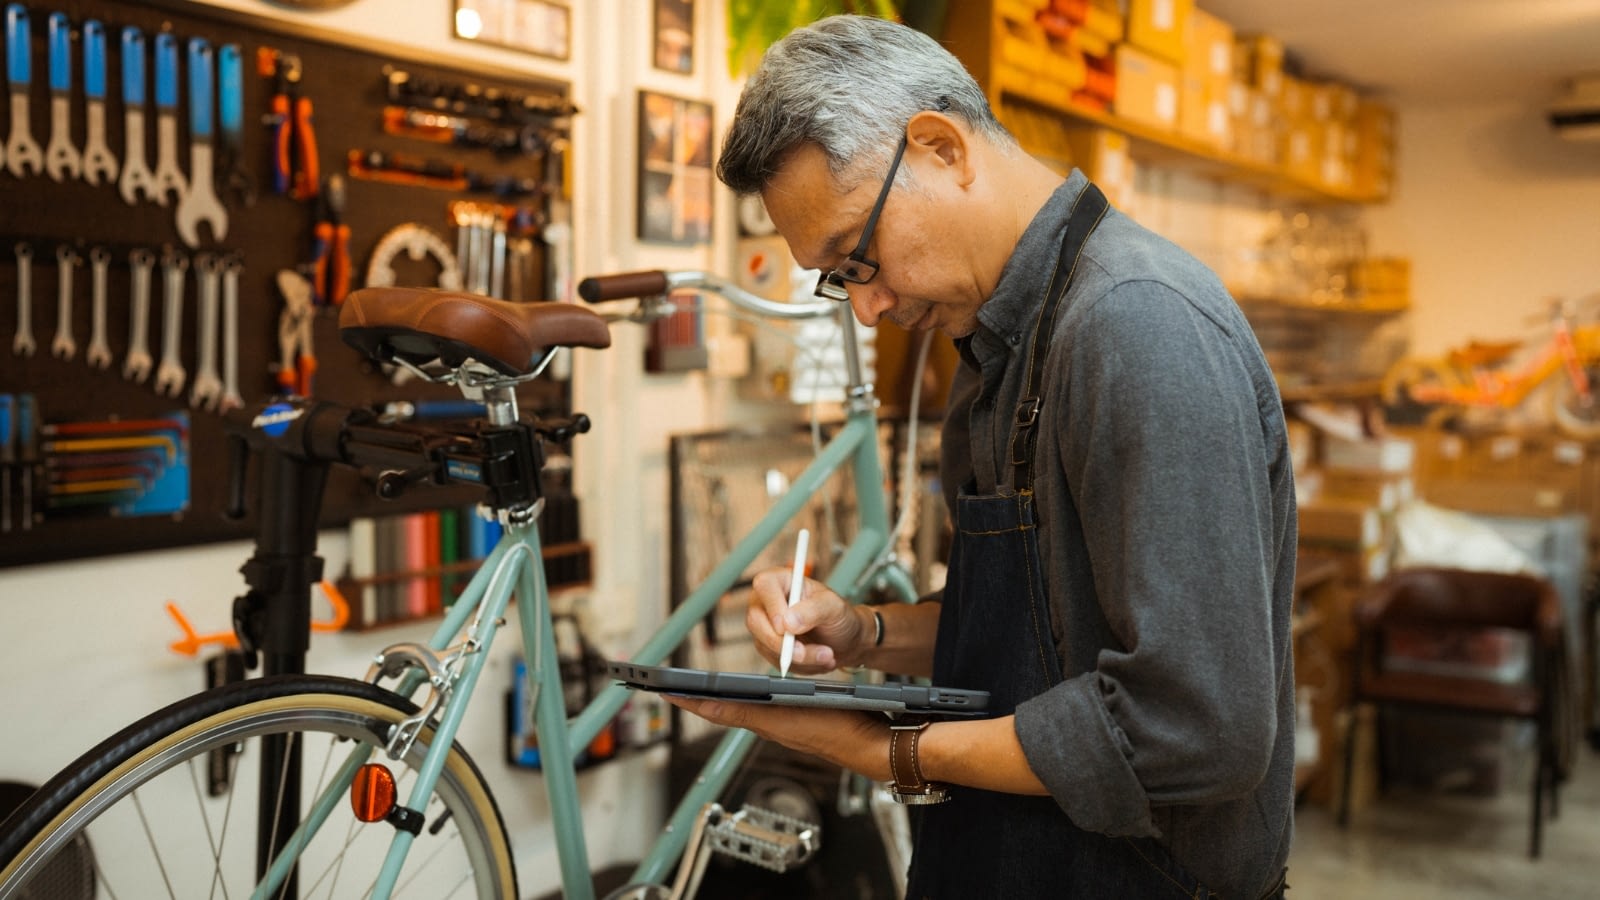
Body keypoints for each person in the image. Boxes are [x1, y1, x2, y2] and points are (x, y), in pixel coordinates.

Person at [668, 14, 1297, 899]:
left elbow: (1195, 725)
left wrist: (886, 751)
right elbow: (1034, 631)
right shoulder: (993, 340)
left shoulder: (1136, 325)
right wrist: (865, 635)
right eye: (839, 279)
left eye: (861, 257)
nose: (866, 309)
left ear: (939, 148)